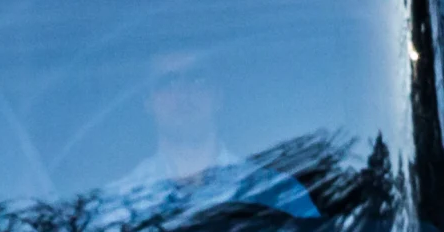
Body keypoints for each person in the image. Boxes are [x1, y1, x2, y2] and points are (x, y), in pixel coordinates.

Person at [115, 48, 315, 220]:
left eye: (197, 79)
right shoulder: (119, 206)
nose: (184, 93)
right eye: (168, 82)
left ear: (217, 96)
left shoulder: (279, 194)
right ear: (148, 102)